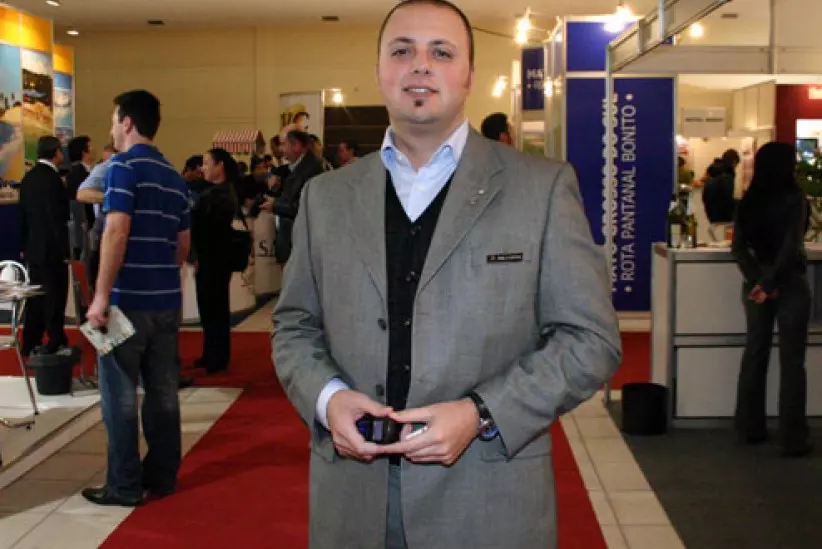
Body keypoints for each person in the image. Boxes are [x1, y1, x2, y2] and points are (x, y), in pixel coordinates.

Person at [271, 1, 621, 548]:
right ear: (379, 71)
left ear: (469, 75)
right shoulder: (326, 198)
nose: (420, 65)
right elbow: (293, 326)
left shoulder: (542, 189)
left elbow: (590, 340)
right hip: (353, 504)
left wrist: (482, 413)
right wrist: (327, 397)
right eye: (402, 51)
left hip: (487, 502)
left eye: (441, 52)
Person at [83, 90, 191, 506]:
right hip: (165, 301)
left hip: (126, 300)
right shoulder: (174, 175)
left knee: (120, 396)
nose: (112, 127)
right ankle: (162, 477)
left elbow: (116, 230)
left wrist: (100, 296)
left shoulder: (122, 167)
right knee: (163, 393)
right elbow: (183, 245)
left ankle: (124, 485)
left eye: (114, 120)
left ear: (127, 122)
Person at [731, 141, 812, 458]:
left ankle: (748, 428)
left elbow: (738, 247)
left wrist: (758, 281)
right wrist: (772, 282)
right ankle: (792, 437)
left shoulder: (748, 200)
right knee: (792, 361)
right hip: (788, 282)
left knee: (755, 352)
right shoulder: (795, 199)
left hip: (755, 286)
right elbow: (791, 246)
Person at [18, 135, 70, 357]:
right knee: (55, 296)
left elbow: (22, 215)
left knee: (36, 296)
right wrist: (64, 250)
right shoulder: (54, 180)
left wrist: (24, 245)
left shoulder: (28, 178)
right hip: (52, 249)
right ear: (56, 152)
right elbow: (57, 218)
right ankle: (55, 339)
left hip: (33, 248)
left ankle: (30, 340)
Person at [192, 147, 239, 374]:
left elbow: (206, 228)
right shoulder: (219, 192)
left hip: (213, 258)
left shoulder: (219, 195)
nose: (203, 168)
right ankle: (212, 352)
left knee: (214, 308)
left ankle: (217, 357)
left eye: (207, 163)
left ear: (220, 165)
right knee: (212, 307)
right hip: (215, 257)